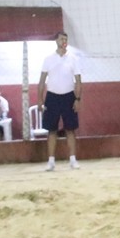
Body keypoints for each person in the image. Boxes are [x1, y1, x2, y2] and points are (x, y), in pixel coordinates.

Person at [38, 31, 82, 171]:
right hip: (52, 97)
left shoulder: (73, 59)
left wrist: (77, 99)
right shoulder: (48, 59)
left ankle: (73, 160)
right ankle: (51, 161)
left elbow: (78, 81)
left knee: (70, 129)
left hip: (69, 97)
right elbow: (42, 81)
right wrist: (40, 100)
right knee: (52, 130)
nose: (64, 41)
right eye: (62, 39)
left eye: (66, 39)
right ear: (56, 41)